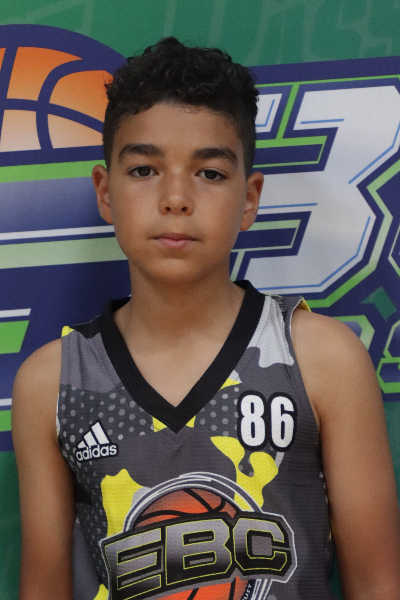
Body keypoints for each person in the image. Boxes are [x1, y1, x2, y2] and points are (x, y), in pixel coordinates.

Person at [12, 37, 400, 600]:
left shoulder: (322, 360)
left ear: (250, 197)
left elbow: (379, 585)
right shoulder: (52, 384)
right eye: (144, 169)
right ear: (105, 192)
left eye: (210, 173)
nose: (176, 198)